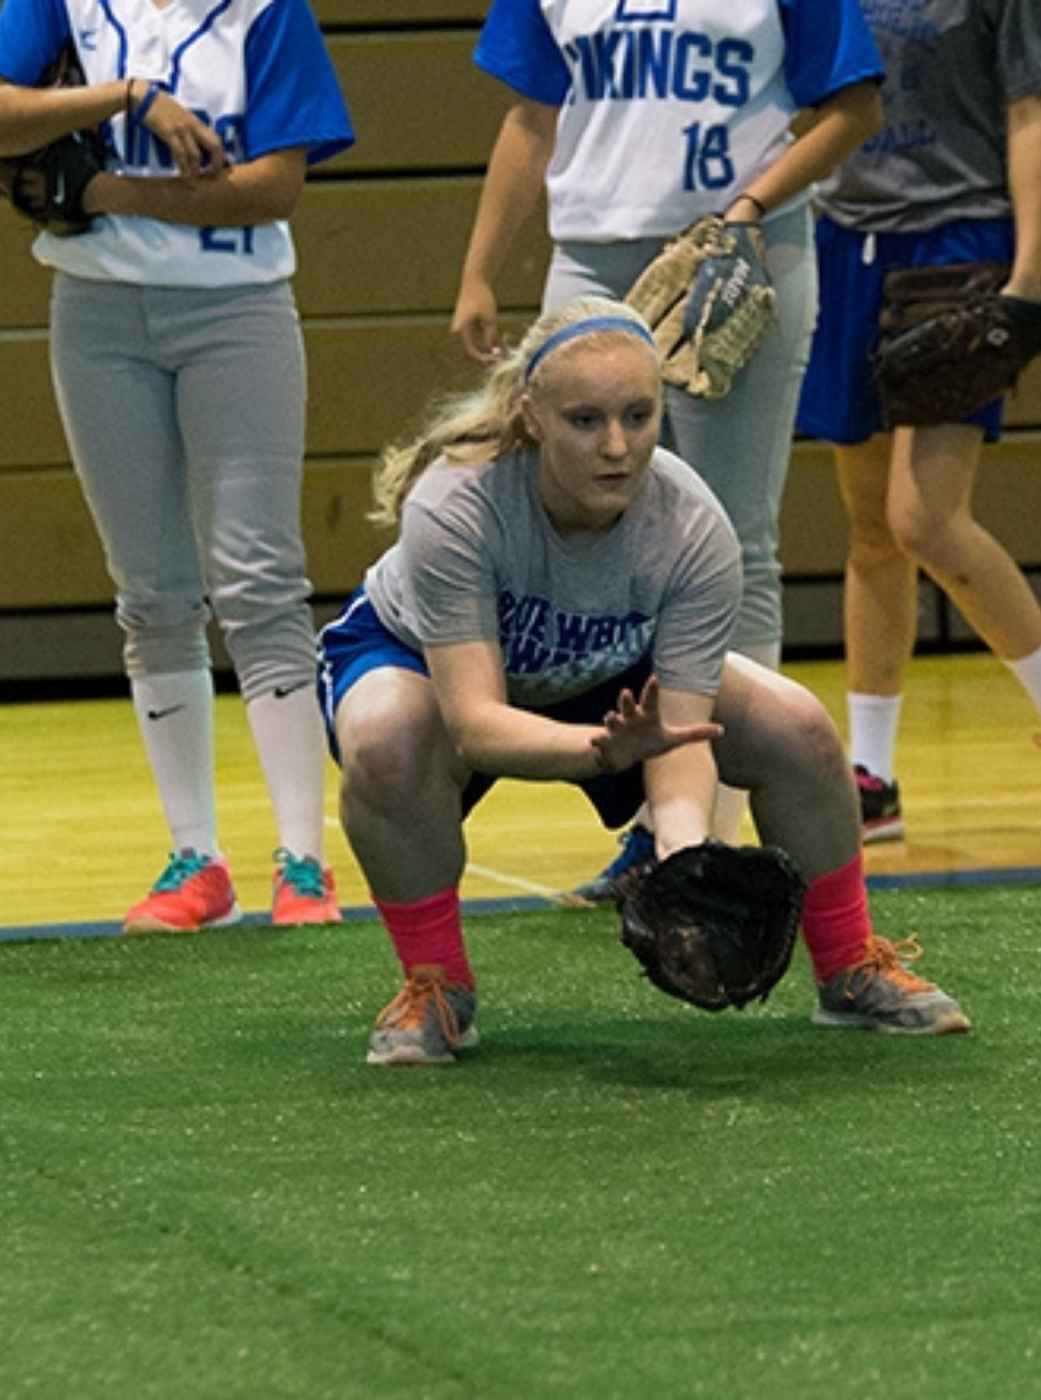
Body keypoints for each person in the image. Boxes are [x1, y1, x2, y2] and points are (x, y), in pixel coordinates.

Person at [317, 297, 970, 1068]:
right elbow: (475, 723)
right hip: (423, 659)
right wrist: (603, 749)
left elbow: (681, 729)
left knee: (797, 729)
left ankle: (850, 966)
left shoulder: (691, 529)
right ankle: (436, 986)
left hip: (616, 680)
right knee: (389, 743)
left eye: (638, 415)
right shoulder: (457, 504)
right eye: (585, 421)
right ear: (532, 416)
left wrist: (683, 859)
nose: (618, 447)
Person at [450, 0, 885, 898]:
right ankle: (655, 821)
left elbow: (854, 108)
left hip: (739, 248)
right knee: (592, 530)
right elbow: (531, 114)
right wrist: (480, 269)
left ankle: (705, 840)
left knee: (734, 539)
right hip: (593, 259)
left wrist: (750, 207)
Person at [0, 0, 355, 931]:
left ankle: (304, 861)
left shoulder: (266, 9)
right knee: (151, 594)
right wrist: (134, 95)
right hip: (96, 315)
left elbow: (273, 188)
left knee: (260, 581)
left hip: (236, 310)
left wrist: (103, 195)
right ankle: (196, 861)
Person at [795, 0, 1041, 845]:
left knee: (926, 518)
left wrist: (1026, 274)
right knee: (873, 528)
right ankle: (871, 778)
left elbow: (1031, 111)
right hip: (846, 245)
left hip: (959, 246)